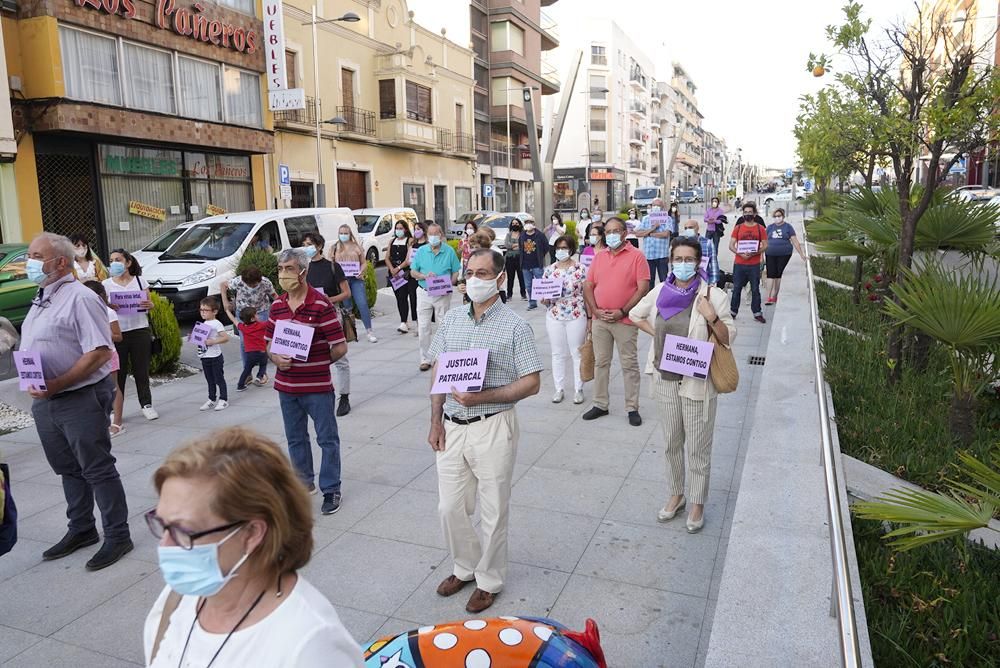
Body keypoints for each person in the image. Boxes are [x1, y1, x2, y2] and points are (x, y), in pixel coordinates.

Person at [142, 427, 364, 667]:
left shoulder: (309, 646)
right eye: (162, 525)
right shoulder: (177, 598)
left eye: (183, 531)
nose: (164, 545)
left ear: (251, 534)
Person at [427, 248, 542, 614]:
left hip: (492, 425)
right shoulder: (451, 320)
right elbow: (438, 372)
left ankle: (489, 579)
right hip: (451, 426)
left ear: (500, 278)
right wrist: (434, 420)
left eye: (482, 273)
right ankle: (464, 566)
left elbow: (532, 383)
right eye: (470, 273)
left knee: (493, 509)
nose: (473, 280)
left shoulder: (515, 326)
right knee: (449, 507)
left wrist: (484, 397)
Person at [21, 232, 133, 570]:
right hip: (47, 400)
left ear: (59, 262)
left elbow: (100, 351)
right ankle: (82, 529)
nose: (29, 261)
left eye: (36, 255)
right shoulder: (42, 295)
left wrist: (58, 382)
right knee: (68, 468)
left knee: (96, 468)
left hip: (78, 396)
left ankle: (118, 535)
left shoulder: (80, 297)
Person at [630, 237, 736, 533]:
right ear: (670, 262)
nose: (684, 264)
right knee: (671, 442)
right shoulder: (660, 291)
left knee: (698, 446)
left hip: (696, 382)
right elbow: (634, 314)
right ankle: (676, 494)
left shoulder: (712, 296)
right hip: (665, 378)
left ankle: (697, 502)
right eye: (678, 258)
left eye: (689, 259)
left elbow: (728, 337)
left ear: (698, 262)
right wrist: (659, 338)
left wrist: (712, 317)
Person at [267, 249, 348, 515]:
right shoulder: (277, 306)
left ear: (303, 271)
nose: (283, 274)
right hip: (286, 388)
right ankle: (304, 484)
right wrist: (276, 358)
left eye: (289, 268)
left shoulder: (321, 304)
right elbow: (269, 344)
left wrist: (317, 362)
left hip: (317, 387)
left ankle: (331, 488)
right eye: (280, 269)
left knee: (327, 439)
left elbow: (340, 346)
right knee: (295, 438)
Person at [582, 217, 650, 427]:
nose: (611, 234)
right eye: (608, 231)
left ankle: (632, 407)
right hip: (601, 319)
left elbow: (643, 288)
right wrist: (594, 312)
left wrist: (622, 311)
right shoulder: (599, 257)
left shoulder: (637, 256)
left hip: (625, 320)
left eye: (616, 230)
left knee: (629, 364)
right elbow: (588, 285)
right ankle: (600, 404)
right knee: (601, 363)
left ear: (624, 233)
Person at [302, 233, 353, 417]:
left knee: (340, 357)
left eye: (309, 244)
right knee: (311, 354)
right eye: (304, 244)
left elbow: (346, 292)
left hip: (331, 314)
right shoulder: (304, 268)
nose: (306, 247)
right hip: (308, 317)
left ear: (319, 245)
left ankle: (344, 396)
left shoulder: (332, 266)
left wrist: (327, 300)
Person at [104, 249, 158, 421]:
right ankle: (115, 410)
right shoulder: (106, 284)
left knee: (141, 370)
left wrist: (150, 304)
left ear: (128, 262)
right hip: (118, 333)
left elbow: (149, 303)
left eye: (118, 260)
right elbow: (101, 307)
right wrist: (110, 306)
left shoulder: (140, 281)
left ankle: (146, 404)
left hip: (139, 330)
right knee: (117, 374)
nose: (114, 263)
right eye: (111, 260)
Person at [542, 235, 589, 404]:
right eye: (558, 248)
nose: (561, 251)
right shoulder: (549, 269)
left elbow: (587, 292)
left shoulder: (580, 268)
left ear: (571, 249)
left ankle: (579, 388)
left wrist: (590, 317)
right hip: (554, 315)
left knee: (577, 352)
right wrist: (544, 298)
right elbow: (544, 293)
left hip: (576, 313)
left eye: (564, 248)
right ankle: (559, 388)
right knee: (557, 353)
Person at [410, 223, 461, 371]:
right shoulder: (421, 251)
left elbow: (456, 271)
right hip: (424, 292)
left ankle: (441, 357)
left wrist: (450, 283)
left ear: (441, 235)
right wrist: (424, 276)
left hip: (442, 294)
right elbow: (413, 272)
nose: (433, 237)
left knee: (442, 325)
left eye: (436, 234)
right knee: (424, 326)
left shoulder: (449, 251)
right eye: (430, 234)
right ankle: (425, 358)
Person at [84, 281, 126, 437]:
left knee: (113, 388)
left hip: (109, 355)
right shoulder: (83, 312)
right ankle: (103, 420)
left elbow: (118, 336)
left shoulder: (108, 312)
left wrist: (102, 332)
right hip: (90, 356)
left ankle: (117, 422)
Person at [221, 267, 276, 367]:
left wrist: (281, 306)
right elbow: (223, 285)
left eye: (254, 284)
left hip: (261, 312)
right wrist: (225, 301)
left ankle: (262, 360)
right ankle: (246, 366)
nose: (252, 286)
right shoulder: (238, 281)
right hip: (243, 313)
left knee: (263, 338)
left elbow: (274, 295)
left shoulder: (265, 282)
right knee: (243, 341)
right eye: (249, 284)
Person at [331, 225, 377, 343]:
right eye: (341, 233)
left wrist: (361, 271)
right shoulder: (335, 247)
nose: (343, 235)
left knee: (362, 304)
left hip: (356, 279)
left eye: (345, 233)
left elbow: (364, 263)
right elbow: (331, 264)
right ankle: (350, 331)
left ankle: (369, 331)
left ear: (350, 234)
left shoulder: (357, 247)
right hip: (342, 281)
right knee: (347, 307)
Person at [729, 202, 768, 323]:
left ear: (755, 214)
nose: (747, 214)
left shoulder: (760, 229)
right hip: (739, 264)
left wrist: (755, 253)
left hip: (754, 265)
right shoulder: (738, 228)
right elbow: (731, 245)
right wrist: (740, 254)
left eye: (750, 212)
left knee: (755, 289)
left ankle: (757, 313)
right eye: (745, 212)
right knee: (736, 289)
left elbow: (765, 245)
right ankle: (733, 312)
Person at [764, 208, 806, 305]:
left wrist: (801, 254)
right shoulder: (770, 227)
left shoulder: (788, 227)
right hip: (770, 253)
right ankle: (768, 297)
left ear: (783, 216)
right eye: (775, 216)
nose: (777, 218)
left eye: (779, 216)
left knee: (778, 274)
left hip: (784, 253)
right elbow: (764, 241)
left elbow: (795, 241)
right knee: (770, 274)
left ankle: (775, 295)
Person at [196, 297, 230, 411]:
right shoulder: (204, 323)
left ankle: (223, 399)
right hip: (205, 357)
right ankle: (211, 399)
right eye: (201, 310)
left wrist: (213, 341)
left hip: (215, 357)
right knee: (209, 379)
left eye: (206, 310)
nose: (203, 312)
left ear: (214, 311)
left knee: (219, 379)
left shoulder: (216, 323)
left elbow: (225, 338)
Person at [634, 197, 675, 287]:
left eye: (658, 205)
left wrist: (648, 234)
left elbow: (666, 234)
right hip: (648, 256)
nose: (656, 207)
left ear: (662, 207)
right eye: (654, 205)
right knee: (649, 281)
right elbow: (637, 233)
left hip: (662, 255)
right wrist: (653, 228)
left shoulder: (667, 219)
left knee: (664, 280)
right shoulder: (646, 219)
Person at [385, 219, 417, 333]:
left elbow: (409, 259)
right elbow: (387, 257)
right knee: (398, 297)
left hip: (404, 273)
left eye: (400, 228)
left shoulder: (409, 241)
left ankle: (404, 321)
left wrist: (398, 268)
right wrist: (392, 269)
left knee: (403, 296)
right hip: (393, 273)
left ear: (405, 229)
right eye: (397, 228)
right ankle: (404, 320)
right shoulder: (392, 241)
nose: (398, 230)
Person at [519, 216, 548, 310]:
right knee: (528, 285)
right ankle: (532, 303)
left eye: (530, 222)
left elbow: (546, 247)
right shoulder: (522, 235)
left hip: (537, 263)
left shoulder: (540, 235)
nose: (528, 224)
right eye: (526, 222)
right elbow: (520, 247)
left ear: (534, 224)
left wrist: (540, 255)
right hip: (525, 264)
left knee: (541, 284)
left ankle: (547, 301)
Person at [236, 307, 268, 391]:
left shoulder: (243, 327)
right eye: (256, 314)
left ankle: (240, 385)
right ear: (252, 318)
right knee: (263, 364)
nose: (258, 315)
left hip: (250, 354)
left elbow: (235, 321)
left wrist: (227, 311)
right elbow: (272, 323)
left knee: (247, 369)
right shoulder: (261, 325)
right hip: (261, 352)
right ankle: (259, 377)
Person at [679, 220, 720, 286]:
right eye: (686, 228)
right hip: (686, 282)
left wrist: (713, 282)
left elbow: (713, 263)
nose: (688, 230)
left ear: (697, 228)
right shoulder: (681, 244)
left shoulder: (707, 243)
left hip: (703, 281)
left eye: (690, 227)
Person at [504, 218, 527, 301]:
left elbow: (524, 245)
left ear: (519, 224)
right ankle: (509, 295)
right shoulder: (508, 235)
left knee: (521, 277)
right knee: (510, 277)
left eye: (516, 223)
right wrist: (516, 245)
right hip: (510, 258)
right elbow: (506, 244)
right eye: (513, 223)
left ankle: (523, 294)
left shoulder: (523, 234)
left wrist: (514, 245)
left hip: (520, 258)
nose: (515, 225)